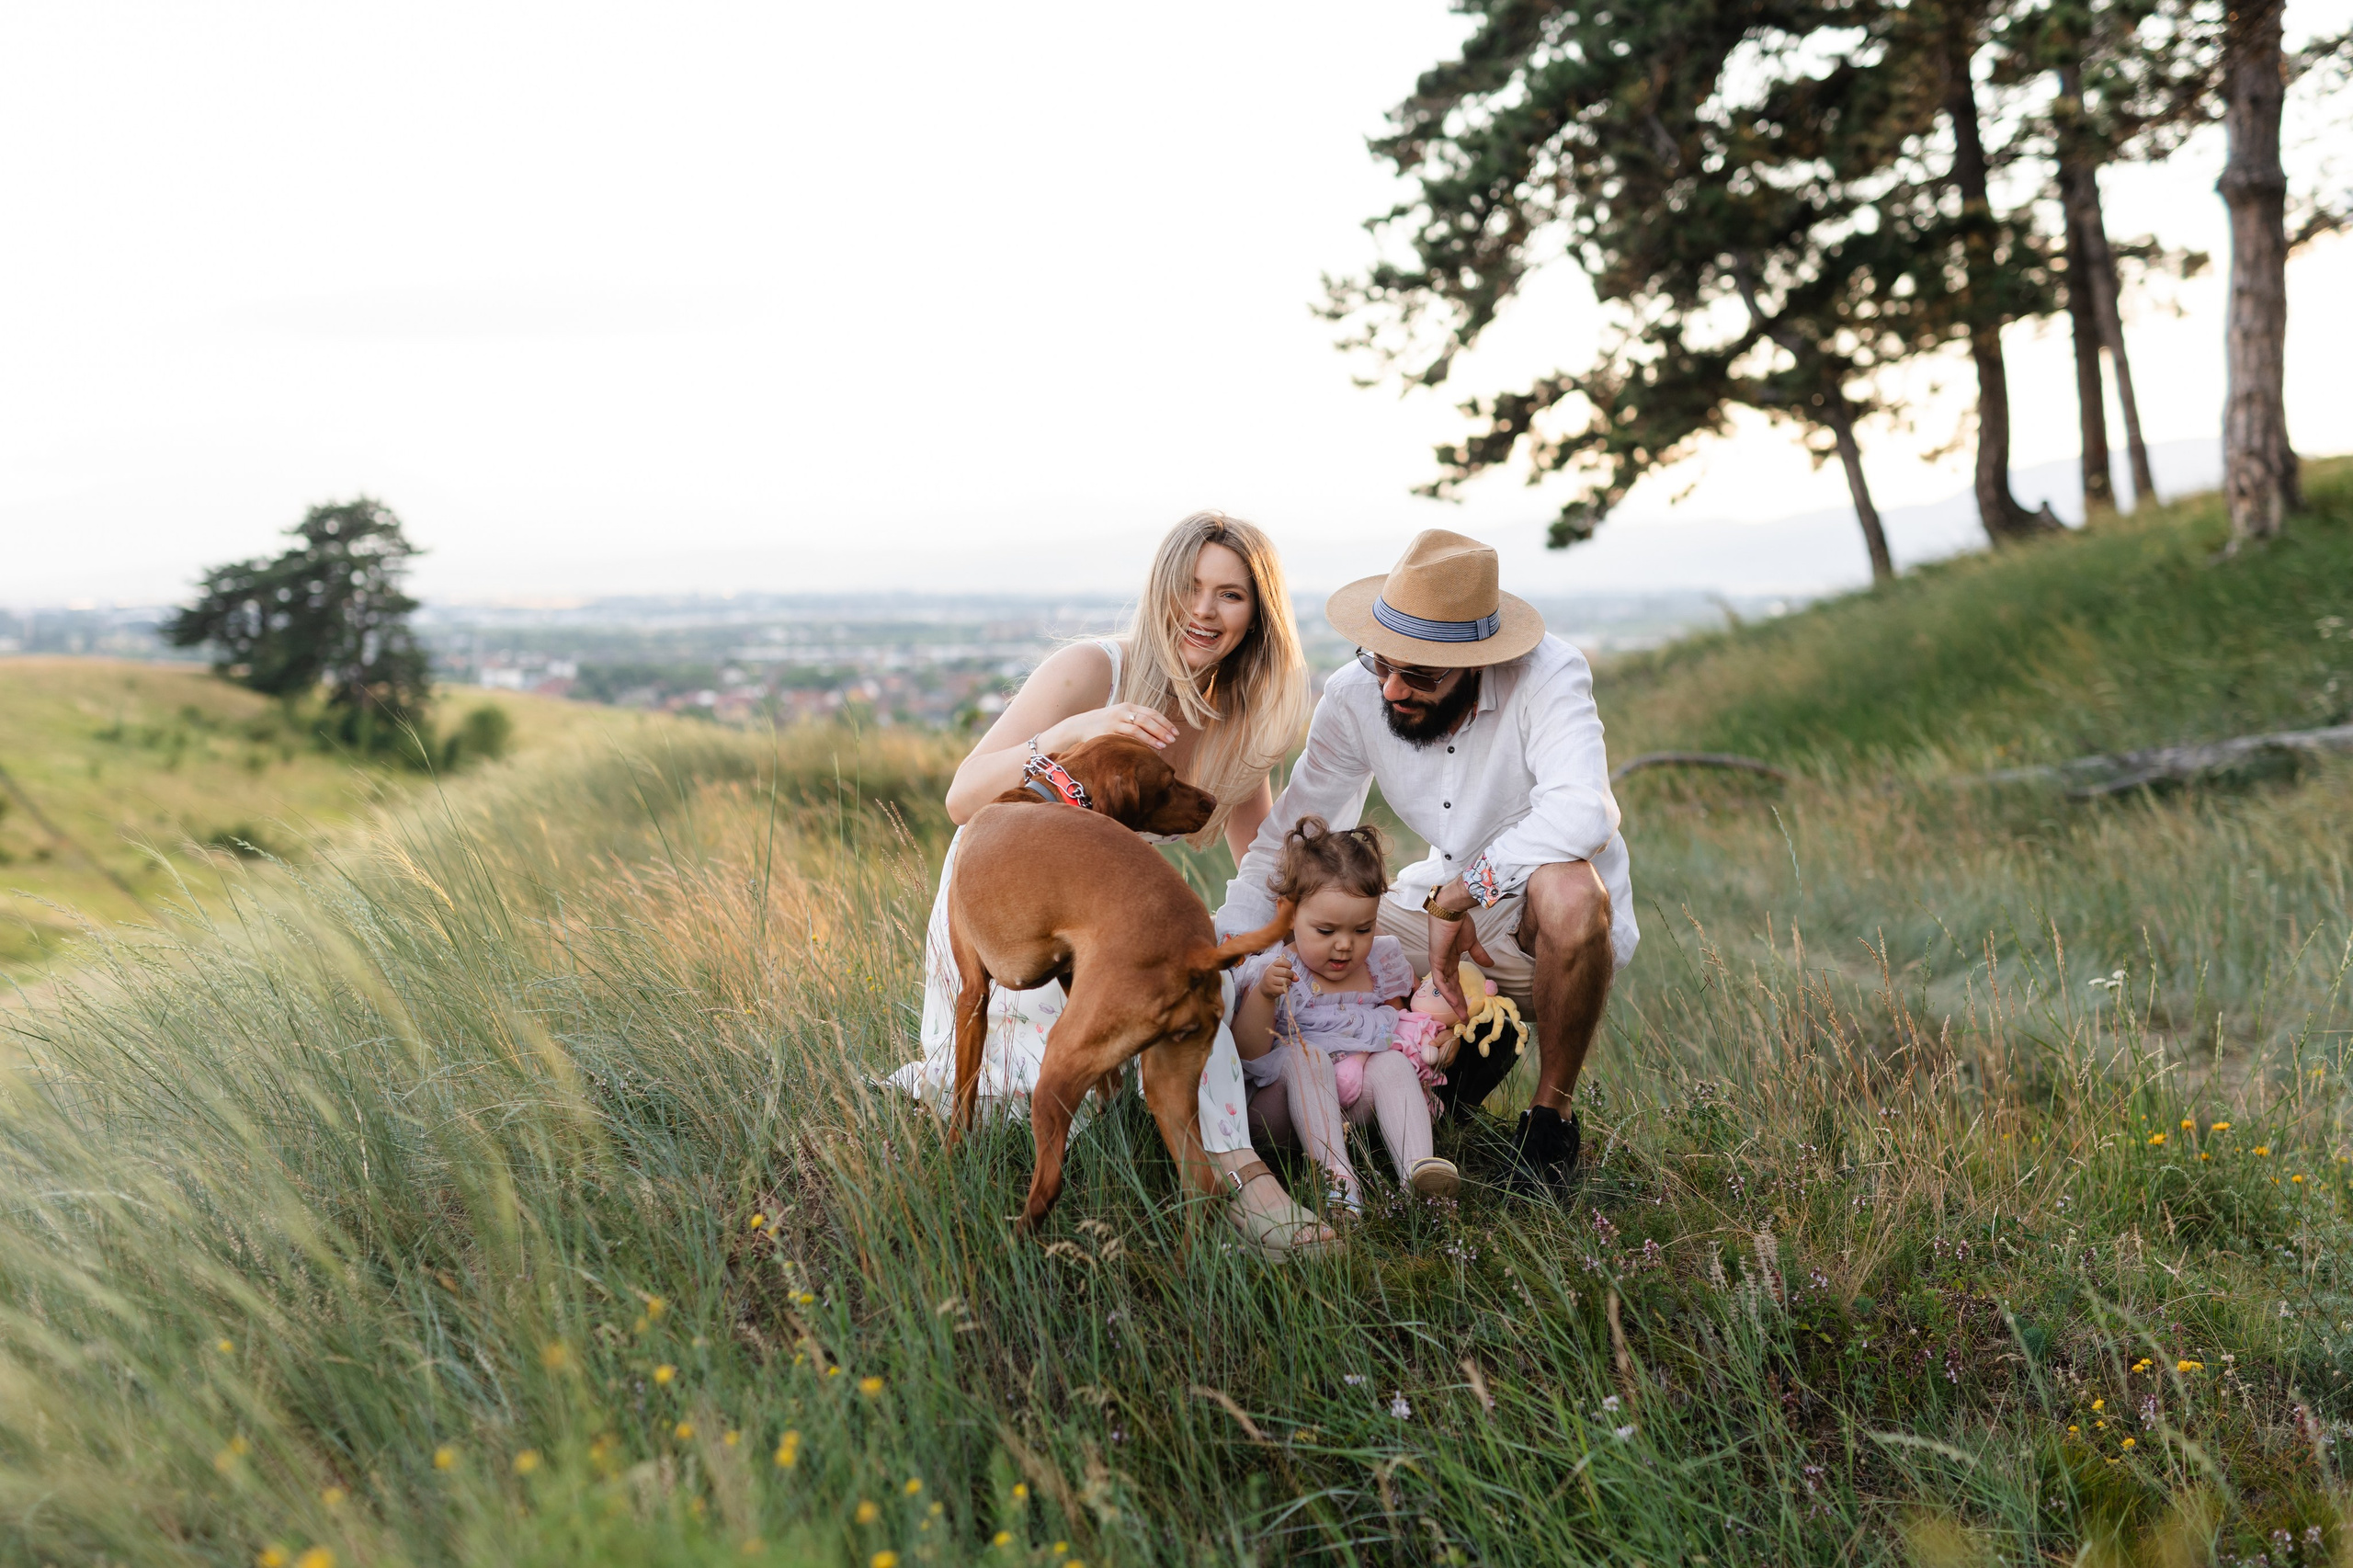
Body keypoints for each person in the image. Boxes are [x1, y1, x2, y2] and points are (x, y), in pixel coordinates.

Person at [890, 510, 1334, 1256]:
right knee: (1049, 1080)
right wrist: (1073, 733)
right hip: (1008, 892)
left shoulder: (1237, 717)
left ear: (1258, 615)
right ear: (1161, 589)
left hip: (1107, 919)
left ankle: (1241, 1181)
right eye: (1189, 587)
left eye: (1230, 595)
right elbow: (965, 798)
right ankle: (1237, 1190)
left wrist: (1316, 924)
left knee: (1196, 990)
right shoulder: (1093, 669)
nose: (1202, 610)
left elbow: (1256, 857)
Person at [1216, 528, 1640, 1194]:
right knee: (1324, 924)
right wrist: (1227, 950)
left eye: (1419, 675)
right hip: (1428, 914)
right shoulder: (1355, 695)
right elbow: (1289, 842)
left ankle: (1548, 1127)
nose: (1390, 689)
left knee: (1572, 889)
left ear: (1480, 660)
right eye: (1379, 663)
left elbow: (1585, 814)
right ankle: (1414, 1086)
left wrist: (1464, 892)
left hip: (1541, 940)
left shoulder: (1549, 674)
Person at [1229, 817, 1459, 1215]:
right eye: (1325, 930)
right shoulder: (1279, 971)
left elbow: (1401, 1029)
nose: (1344, 946)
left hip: (1351, 1105)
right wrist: (1265, 994)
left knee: (1390, 1062)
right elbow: (1246, 1056)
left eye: (1362, 929)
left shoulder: (1380, 966)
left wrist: (1431, 1043)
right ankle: (1336, 1179)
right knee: (1306, 1055)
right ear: (1289, 915)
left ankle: (1418, 1172)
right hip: (1278, 1113)